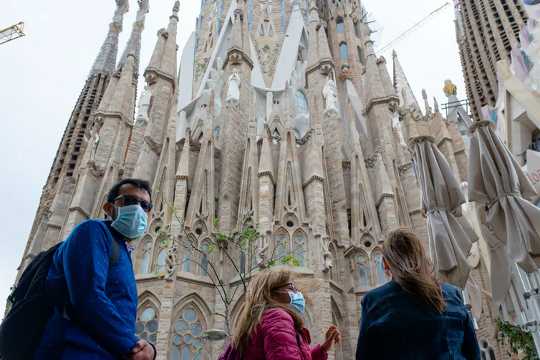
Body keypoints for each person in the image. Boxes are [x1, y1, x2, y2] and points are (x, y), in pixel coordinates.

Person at [34, 179, 156, 360]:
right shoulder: (92, 231)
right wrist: (132, 347)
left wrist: (147, 349)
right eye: (129, 201)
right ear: (109, 208)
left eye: (144, 205)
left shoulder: (122, 249)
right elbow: (88, 296)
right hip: (73, 351)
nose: (138, 209)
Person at [355, 229, 481, 360]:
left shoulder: (374, 302)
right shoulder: (452, 294)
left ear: (385, 264)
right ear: (422, 257)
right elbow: (473, 353)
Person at [223, 269, 341, 360]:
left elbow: (288, 353)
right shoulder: (277, 318)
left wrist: (323, 348)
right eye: (291, 287)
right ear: (272, 294)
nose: (298, 293)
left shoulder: (263, 318)